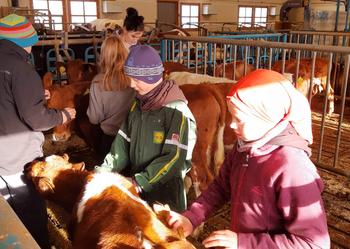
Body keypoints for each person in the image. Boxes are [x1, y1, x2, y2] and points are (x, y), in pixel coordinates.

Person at [167, 69, 331, 249]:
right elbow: (221, 186)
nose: (231, 124)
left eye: (239, 119)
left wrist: (245, 243)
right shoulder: (244, 148)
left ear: (266, 117)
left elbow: (314, 244)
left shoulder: (293, 168)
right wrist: (192, 217)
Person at [0, 14, 76, 249]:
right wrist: (64, 114)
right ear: (27, 42)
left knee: (5, 214)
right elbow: (36, 119)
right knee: (30, 215)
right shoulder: (21, 69)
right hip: (16, 158)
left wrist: (34, 95)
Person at [95, 45, 197, 212]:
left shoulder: (176, 112)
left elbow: (175, 159)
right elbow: (121, 145)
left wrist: (139, 182)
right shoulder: (138, 105)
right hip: (140, 194)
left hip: (166, 199)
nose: (131, 84)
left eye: (136, 79)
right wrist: (102, 173)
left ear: (150, 77)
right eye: (130, 78)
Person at [86, 35, 135, 162]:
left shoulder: (97, 82)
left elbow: (94, 118)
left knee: (110, 179)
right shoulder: (134, 78)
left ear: (104, 56)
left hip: (110, 140)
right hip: (135, 140)